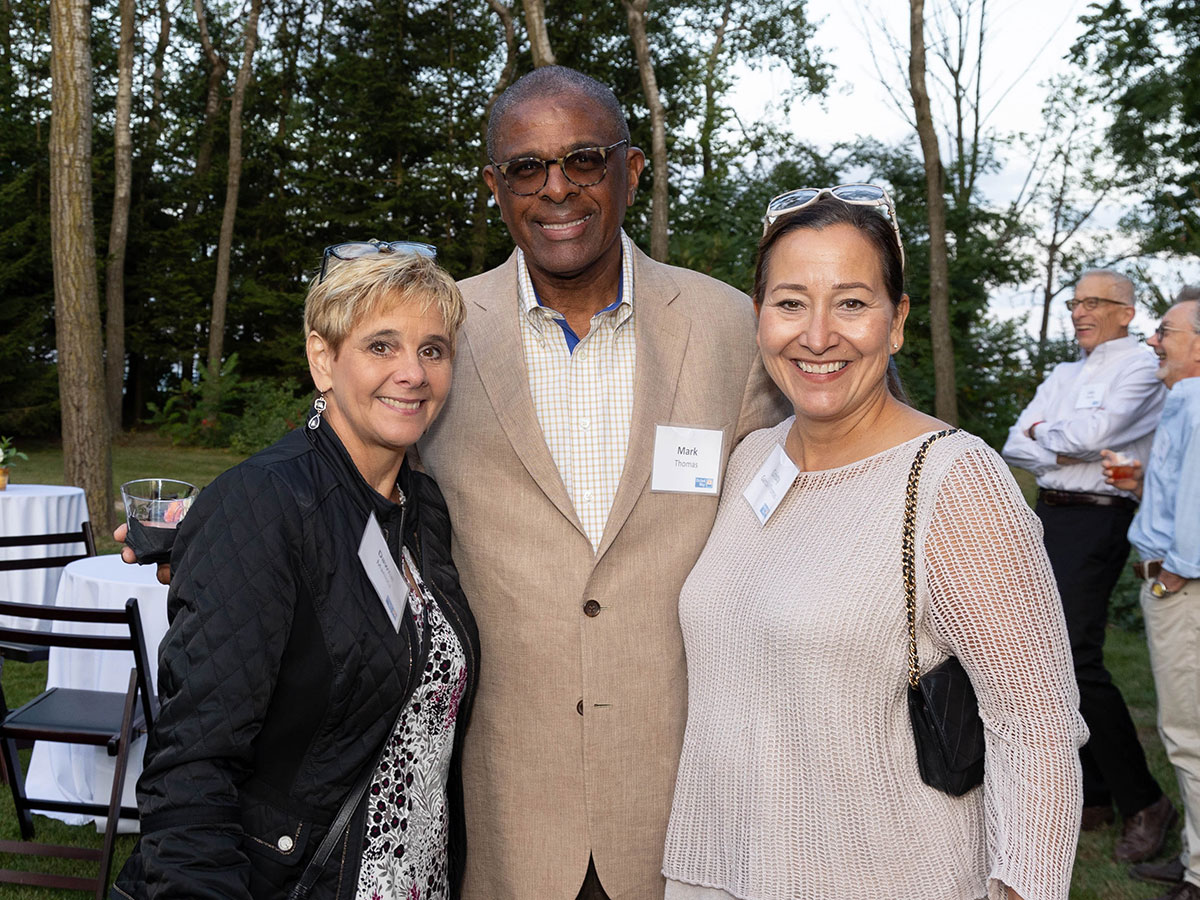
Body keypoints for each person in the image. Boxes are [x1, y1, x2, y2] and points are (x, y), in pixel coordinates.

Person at [415, 66, 787, 900]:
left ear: (632, 169)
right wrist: (230, 535)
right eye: (526, 168)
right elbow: (348, 471)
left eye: (584, 159)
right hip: (504, 804)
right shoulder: (439, 332)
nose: (557, 189)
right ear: (494, 187)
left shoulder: (729, 325)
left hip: (684, 799)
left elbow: (804, 495)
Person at [662, 190, 1087, 900]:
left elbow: (1037, 726)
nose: (817, 335)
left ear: (897, 323)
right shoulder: (750, 461)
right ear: (759, 316)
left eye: (852, 303)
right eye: (791, 303)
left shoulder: (954, 480)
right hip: (716, 874)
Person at [111, 245, 480, 900]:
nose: (412, 372)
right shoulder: (264, 503)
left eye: (433, 350)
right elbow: (193, 768)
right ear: (322, 359)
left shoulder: (421, 510)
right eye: (382, 346)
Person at [1001, 268, 1173, 859]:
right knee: (1044, 655)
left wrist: (1048, 436)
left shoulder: (1142, 368)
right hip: (1047, 513)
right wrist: (1064, 444)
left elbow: (1096, 431)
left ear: (1127, 312)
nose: (1079, 312)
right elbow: (1014, 443)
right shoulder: (1063, 373)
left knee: (1076, 655)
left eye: (1094, 302)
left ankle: (1145, 801)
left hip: (1101, 516)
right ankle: (1091, 791)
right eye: (1075, 302)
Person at [1101, 289, 1200, 898]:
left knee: (1189, 736)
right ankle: (1193, 854)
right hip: (1178, 585)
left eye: (1166, 331)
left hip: (1182, 592)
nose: (1154, 341)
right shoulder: (1184, 402)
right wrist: (1145, 484)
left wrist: (1171, 576)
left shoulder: (1195, 403)